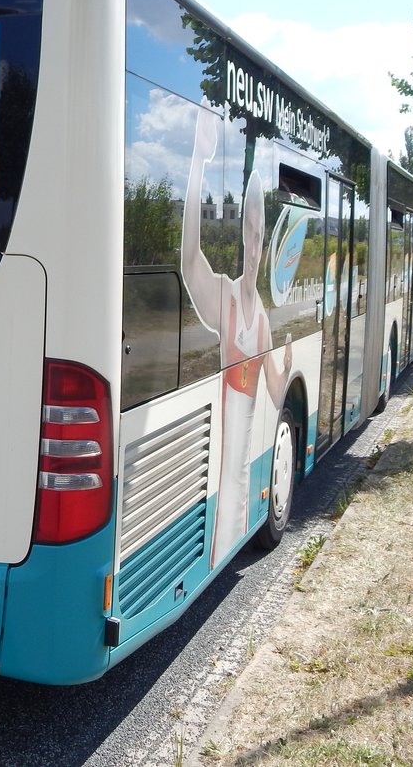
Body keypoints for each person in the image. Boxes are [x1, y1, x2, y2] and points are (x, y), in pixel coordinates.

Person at [181, 108, 292, 568]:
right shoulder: (225, 296)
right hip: (220, 481)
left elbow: (275, 392)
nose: (252, 242)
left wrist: (285, 370)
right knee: (221, 539)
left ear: (265, 241)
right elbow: (189, 260)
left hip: (246, 481)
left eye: (259, 233)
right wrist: (197, 162)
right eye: (246, 230)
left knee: (237, 525)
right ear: (240, 232)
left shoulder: (262, 319)